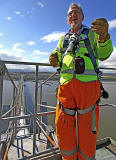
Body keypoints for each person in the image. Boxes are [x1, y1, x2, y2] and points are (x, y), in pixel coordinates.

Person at [49, 3, 113, 160]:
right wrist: (53, 58)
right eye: (70, 13)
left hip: (88, 88)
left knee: (87, 130)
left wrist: (104, 38)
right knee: (63, 127)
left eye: (76, 12)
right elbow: (56, 55)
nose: (73, 15)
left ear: (82, 17)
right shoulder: (62, 39)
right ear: (67, 18)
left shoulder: (93, 33)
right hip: (65, 88)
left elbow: (103, 55)